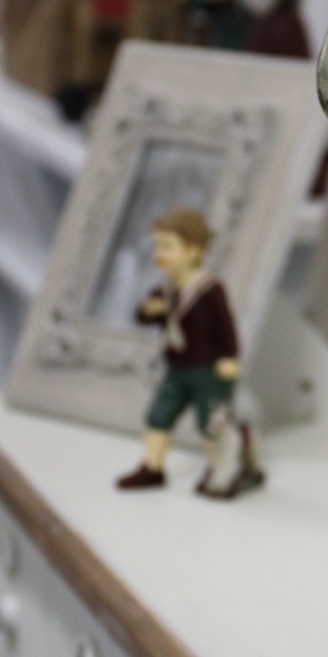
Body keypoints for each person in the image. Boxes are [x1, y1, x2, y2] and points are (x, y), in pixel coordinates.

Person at [115, 206, 263, 499]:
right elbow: (142, 316)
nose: (159, 253)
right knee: (159, 415)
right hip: (177, 367)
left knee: (211, 423)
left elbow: (225, 326)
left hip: (208, 370)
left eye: (167, 246)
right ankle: (152, 467)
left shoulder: (209, 289)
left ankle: (218, 469)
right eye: (157, 245)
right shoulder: (165, 290)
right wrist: (150, 312)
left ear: (194, 251)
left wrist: (229, 357)